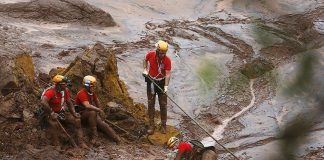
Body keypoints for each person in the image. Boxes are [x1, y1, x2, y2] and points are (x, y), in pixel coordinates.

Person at [41, 75, 87, 148]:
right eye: (63, 84)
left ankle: (81, 142)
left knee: (77, 120)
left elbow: (69, 102)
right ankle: (56, 144)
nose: (65, 86)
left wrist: (74, 113)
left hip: (61, 112)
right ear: (57, 85)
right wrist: (51, 113)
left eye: (65, 84)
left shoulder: (65, 90)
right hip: (50, 113)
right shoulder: (50, 92)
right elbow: (43, 102)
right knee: (54, 124)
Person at [75, 75, 121, 145]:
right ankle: (94, 137)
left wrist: (101, 111)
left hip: (90, 114)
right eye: (92, 86)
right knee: (93, 112)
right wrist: (99, 110)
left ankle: (116, 138)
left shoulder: (92, 93)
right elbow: (87, 106)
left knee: (102, 124)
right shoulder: (81, 93)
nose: (94, 87)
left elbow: (97, 101)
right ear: (87, 86)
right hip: (81, 114)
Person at [142, 40, 172, 134]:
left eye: (164, 53)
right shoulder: (150, 55)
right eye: (161, 53)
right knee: (151, 103)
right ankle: (151, 125)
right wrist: (145, 70)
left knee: (163, 104)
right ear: (157, 50)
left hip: (162, 82)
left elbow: (167, 74)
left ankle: (163, 125)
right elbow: (145, 60)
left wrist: (166, 86)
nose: (162, 55)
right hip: (151, 81)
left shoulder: (167, 60)